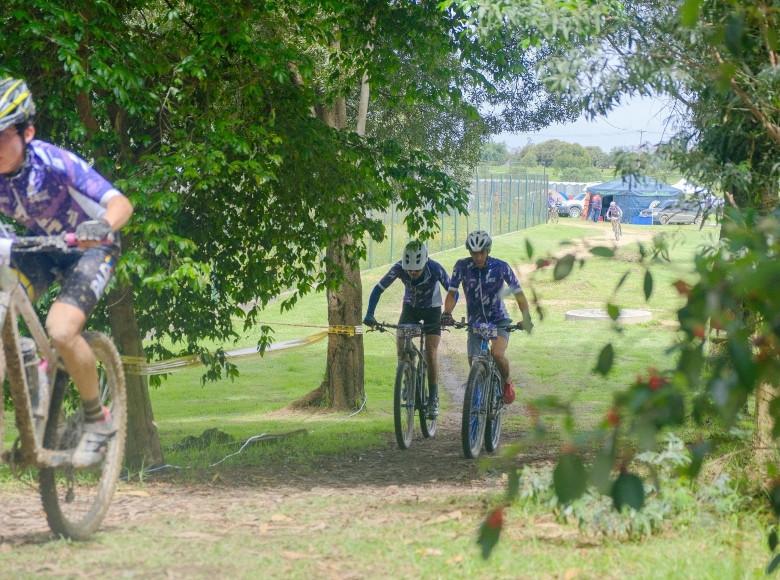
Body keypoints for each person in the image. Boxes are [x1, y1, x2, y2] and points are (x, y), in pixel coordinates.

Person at [0, 78, 134, 467]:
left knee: (61, 330)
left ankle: (98, 419)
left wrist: (103, 226)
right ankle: (25, 360)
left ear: (28, 132)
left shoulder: (52, 162)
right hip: (41, 248)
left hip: (90, 248)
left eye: (2, 135)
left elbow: (120, 204)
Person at [440, 231, 533, 405]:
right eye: (474, 253)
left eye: (481, 252)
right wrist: (447, 313)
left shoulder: (501, 267)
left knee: (497, 354)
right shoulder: (461, 266)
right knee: (474, 363)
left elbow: (518, 293)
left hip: (499, 320)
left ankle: (507, 383)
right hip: (475, 322)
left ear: (488, 251)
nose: (478, 256)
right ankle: (479, 401)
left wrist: (526, 317)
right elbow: (452, 292)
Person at [363, 241, 450, 417]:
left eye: (416, 270)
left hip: (432, 309)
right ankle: (407, 377)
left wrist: (448, 313)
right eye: (409, 270)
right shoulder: (399, 268)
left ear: (425, 263)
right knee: (402, 345)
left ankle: (433, 397)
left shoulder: (435, 268)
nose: (412, 274)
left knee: (430, 352)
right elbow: (378, 289)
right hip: (410, 308)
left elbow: (453, 290)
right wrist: (370, 314)